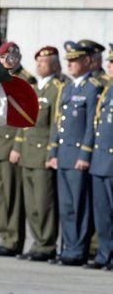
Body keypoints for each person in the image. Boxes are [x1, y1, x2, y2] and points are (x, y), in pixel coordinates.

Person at [46, 41, 103, 265]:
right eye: (68, 61)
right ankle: (68, 248)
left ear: (87, 62)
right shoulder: (67, 89)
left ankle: (78, 250)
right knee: (67, 206)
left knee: (80, 206)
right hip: (63, 155)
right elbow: (58, 123)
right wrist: (53, 151)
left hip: (78, 155)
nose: (70, 64)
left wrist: (85, 155)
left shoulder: (93, 87)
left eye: (75, 60)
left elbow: (92, 125)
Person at [12, 46, 64, 261]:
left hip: (43, 153)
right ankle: (37, 243)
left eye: (43, 63)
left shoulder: (57, 88)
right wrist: (17, 147)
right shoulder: (35, 87)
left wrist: (52, 152)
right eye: (38, 63)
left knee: (44, 203)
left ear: (53, 64)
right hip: (28, 152)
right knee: (31, 203)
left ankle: (46, 245)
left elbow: (55, 124)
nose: (39, 66)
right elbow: (25, 121)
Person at [0, 42, 35, 256]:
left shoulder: (26, 80)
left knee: (12, 197)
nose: (7, 61)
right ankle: (3, 238)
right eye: (4, 57)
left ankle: (13, 240)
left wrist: (18, 146)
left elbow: (29, 116)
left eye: (11, 57)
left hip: (11, 144)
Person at [89, 74, 113, 270]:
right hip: (100, 159)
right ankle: (104, 255)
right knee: (103, 213)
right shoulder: (107, 89)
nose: (109, 67)